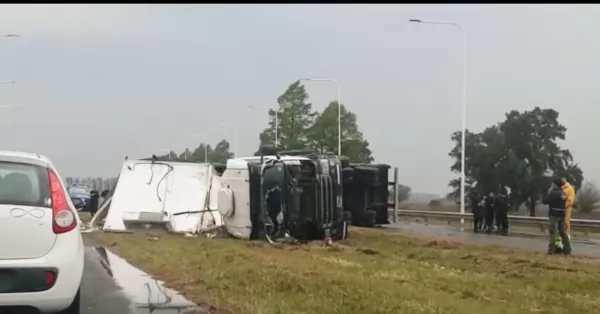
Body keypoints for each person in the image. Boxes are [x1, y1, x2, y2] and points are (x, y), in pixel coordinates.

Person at [542, 178, 572, 255]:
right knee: (563, 232)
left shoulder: (553, 193)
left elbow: (545, 201)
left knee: (552, 232)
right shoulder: (563, 193)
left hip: (554, 214)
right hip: (562, 214)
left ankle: (551, 250)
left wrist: (547, 191)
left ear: (555, 185)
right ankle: (567, 249)